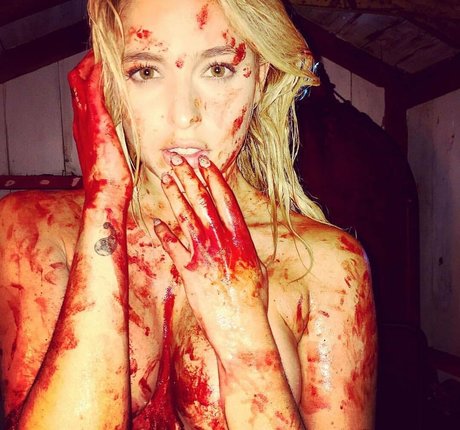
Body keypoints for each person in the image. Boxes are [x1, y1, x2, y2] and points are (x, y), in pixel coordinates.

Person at [0, 0, 377, 428]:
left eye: (218, 69)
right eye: (145, 71)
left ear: (261, 78)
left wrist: (245, 341)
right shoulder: (32, 231)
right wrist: (104, 204)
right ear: (107, 83)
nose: (183, 116)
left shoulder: (329, 266)